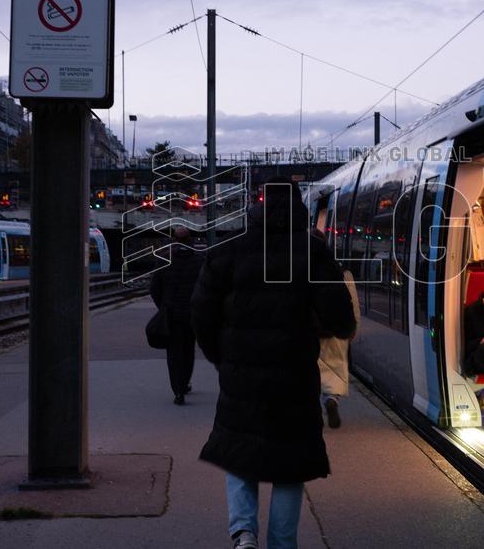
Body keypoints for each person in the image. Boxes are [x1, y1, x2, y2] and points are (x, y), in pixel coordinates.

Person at [192, 181, 357, 549]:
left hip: (241, 377)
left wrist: (222, 357)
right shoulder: (314, 252)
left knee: (238, 453)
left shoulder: (227, 252)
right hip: (294, 377)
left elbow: (200, 313)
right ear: (298, 207)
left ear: (256, 206)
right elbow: (343, 320)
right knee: (290, 466)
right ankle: (282, 544)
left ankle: (244, 532)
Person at [149, 225, 204, 405]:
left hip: (171, 314)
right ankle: (185, 381)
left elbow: (154, 288)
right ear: (190, 240)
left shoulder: (164, 260)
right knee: (188, 349)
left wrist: (163, 307)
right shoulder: (199, 261)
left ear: (174, 240)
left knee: (173, 353)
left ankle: (178, 390)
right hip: (192, 314)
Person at [312, 229, 360, 429]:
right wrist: (353, 326)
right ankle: (332, 399)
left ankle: (312, 409)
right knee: (336, 368)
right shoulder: (341, 272)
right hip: (337, 330)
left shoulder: (297, 271)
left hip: (311, 332)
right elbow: (352, 303)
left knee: (312, 371)